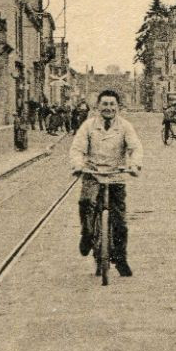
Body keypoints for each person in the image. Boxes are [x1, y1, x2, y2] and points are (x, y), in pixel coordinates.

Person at [69, 89, 141, 277]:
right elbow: (77, 148)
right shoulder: (88, 126)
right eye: (105, 104)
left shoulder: (125, 126)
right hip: (93, 173)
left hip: (116, 174)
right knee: (86, 203)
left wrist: (134, 165)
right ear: (98, 106)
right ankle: (86, 234)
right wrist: (78, 165)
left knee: (120, 221)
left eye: (112, 105)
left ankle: (121, 259)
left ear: (118, 107)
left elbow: (135, 147)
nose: (108, 108)